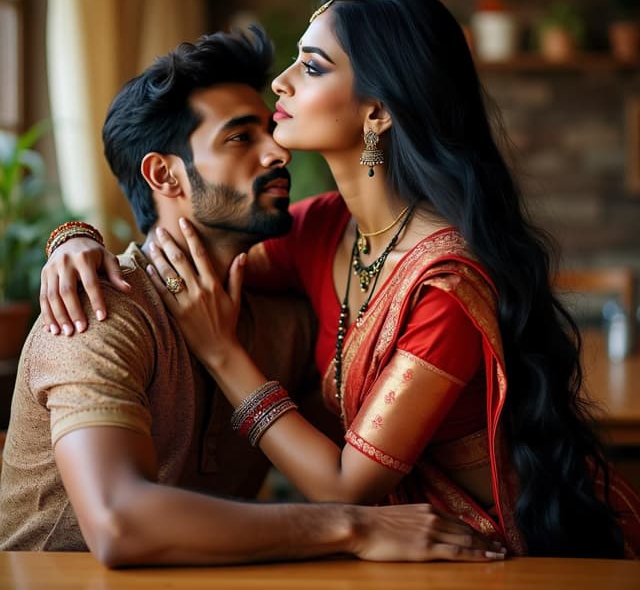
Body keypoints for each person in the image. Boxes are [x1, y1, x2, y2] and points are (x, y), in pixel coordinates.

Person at [39, 0, 640, 558]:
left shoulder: (444, 286)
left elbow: (347, 489)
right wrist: (73, 239)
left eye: (313, 66)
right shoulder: (324, 230)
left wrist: (222, 353)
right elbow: (192, 243)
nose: (281, 82)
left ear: (377, 113)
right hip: (402, 555)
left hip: (522, 552)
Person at [0, 28, 505, 566]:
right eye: (241, 138)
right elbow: (119, 523)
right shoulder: (98, 311)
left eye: (270, 130)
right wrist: (354, 526)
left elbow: (353, 456)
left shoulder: (284, 320)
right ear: (164, 174)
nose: (277, 151)